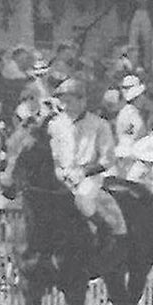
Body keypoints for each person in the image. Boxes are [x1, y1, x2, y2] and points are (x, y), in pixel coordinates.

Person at [47, 76, 124, 237]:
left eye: (69, 101)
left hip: (89, 177)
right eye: (62, 101)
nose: (64, 106)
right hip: (61, 175)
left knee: (84, 200)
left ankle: (105, 234)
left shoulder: (99, 124)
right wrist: (59, 170)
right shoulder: (55, 125)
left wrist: (83, 173)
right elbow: (53, 154)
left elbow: (108, 159)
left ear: (82, 101)